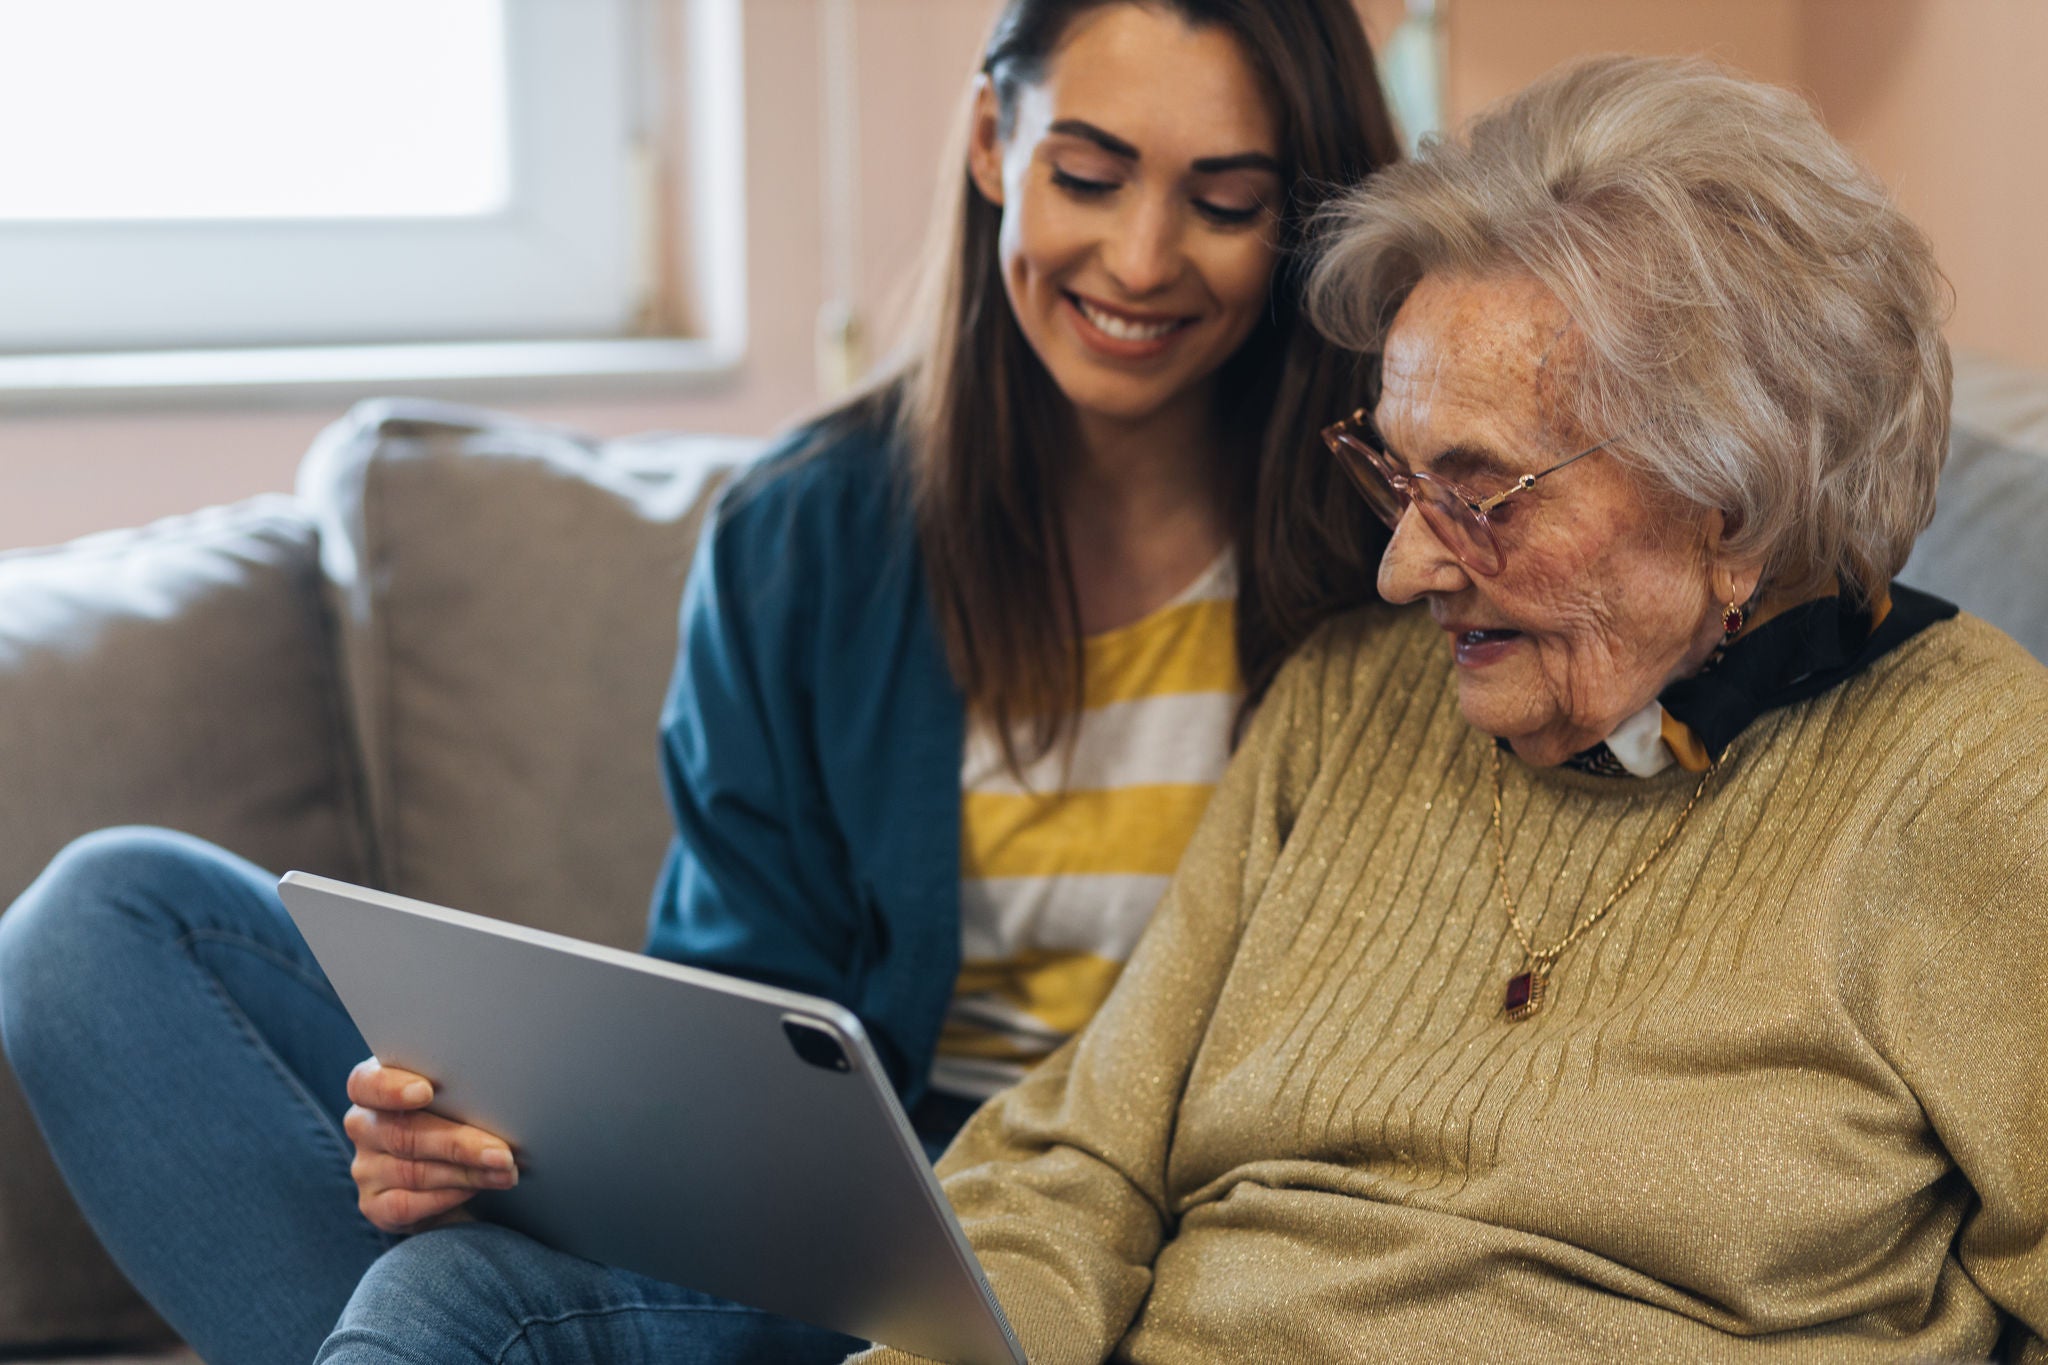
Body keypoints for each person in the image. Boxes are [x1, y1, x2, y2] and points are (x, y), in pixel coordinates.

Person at [0, 3, 1399, 1362]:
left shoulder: (1386, 559)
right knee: (104, 922)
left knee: (456, 1308)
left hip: (1110, 1223)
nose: (1142, 256)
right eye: (1087, 176)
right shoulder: (812, 529)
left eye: (1224, 202)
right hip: (847, 1213)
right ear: (991, 141)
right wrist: (494, 1159)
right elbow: (742, 1018)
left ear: (1305, 215)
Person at [837, 55, 2048, 1363]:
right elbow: (1078, 1165)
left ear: (1736, 503)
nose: (1401, 567)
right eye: (1395, 475)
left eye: (1481, 493)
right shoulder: (1347, 702)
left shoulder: (1975, 779)